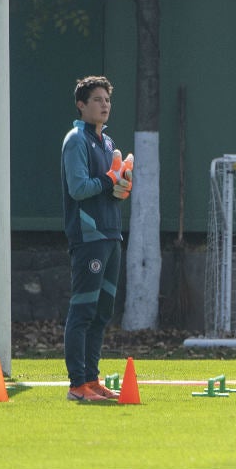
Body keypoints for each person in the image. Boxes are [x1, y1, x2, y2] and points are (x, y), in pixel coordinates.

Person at [60, 76, 133, 401]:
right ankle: (77, 385)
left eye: (107, 100)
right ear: (81, 104)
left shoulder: (107, 143)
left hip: (111, 233)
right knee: (83, 311)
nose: (104, 105)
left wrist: (121, 189)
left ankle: (92, 380)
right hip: (88, 236)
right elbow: (79, 189)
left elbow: (107, 189)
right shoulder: (76, 140)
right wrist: (108, 180)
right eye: (97, 99)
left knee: (103, 312)